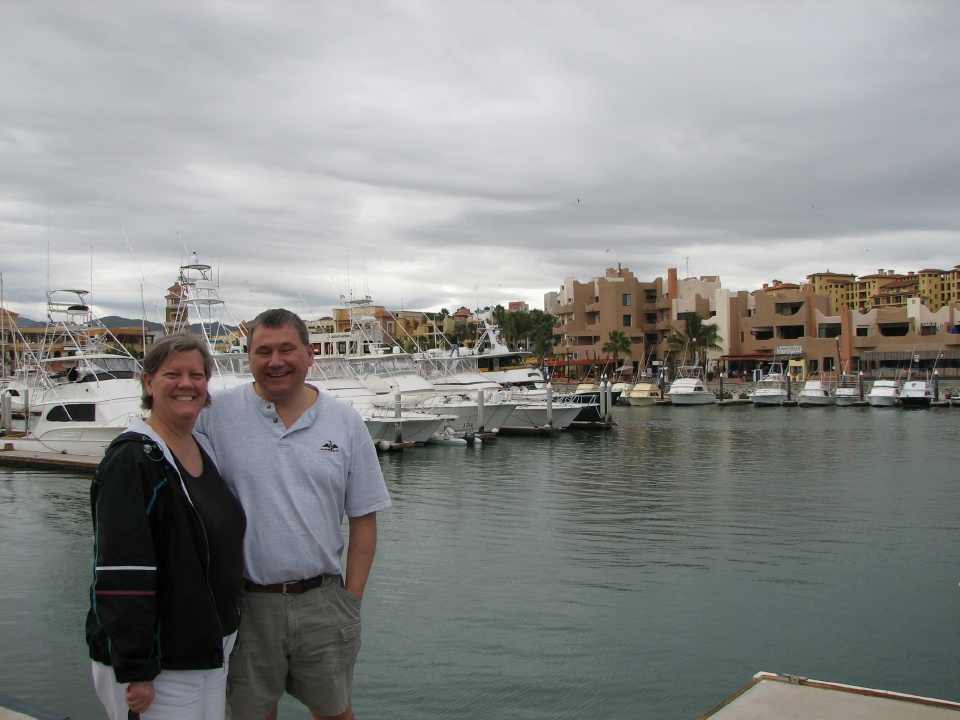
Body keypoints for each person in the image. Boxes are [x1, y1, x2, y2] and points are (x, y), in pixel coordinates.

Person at [195, 308, 391, 720]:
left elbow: (364, 519)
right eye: (263, 351)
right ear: (248, 357)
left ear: (309, 353)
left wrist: (350, 600)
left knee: (335, 712)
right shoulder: (215, 416)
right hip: (245, 605)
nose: (275, 361)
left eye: (287, 349)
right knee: (251, 714)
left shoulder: (345, 422)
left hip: (323, 601)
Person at [86, 333, 246, 719]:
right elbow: (121, 570)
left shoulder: (200, 446)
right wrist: (136, 667)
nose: (186, 384)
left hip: (207, 650)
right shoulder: (134, 460)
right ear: (148, 382)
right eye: (172, 373)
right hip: (161, 662)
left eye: (197, 374)